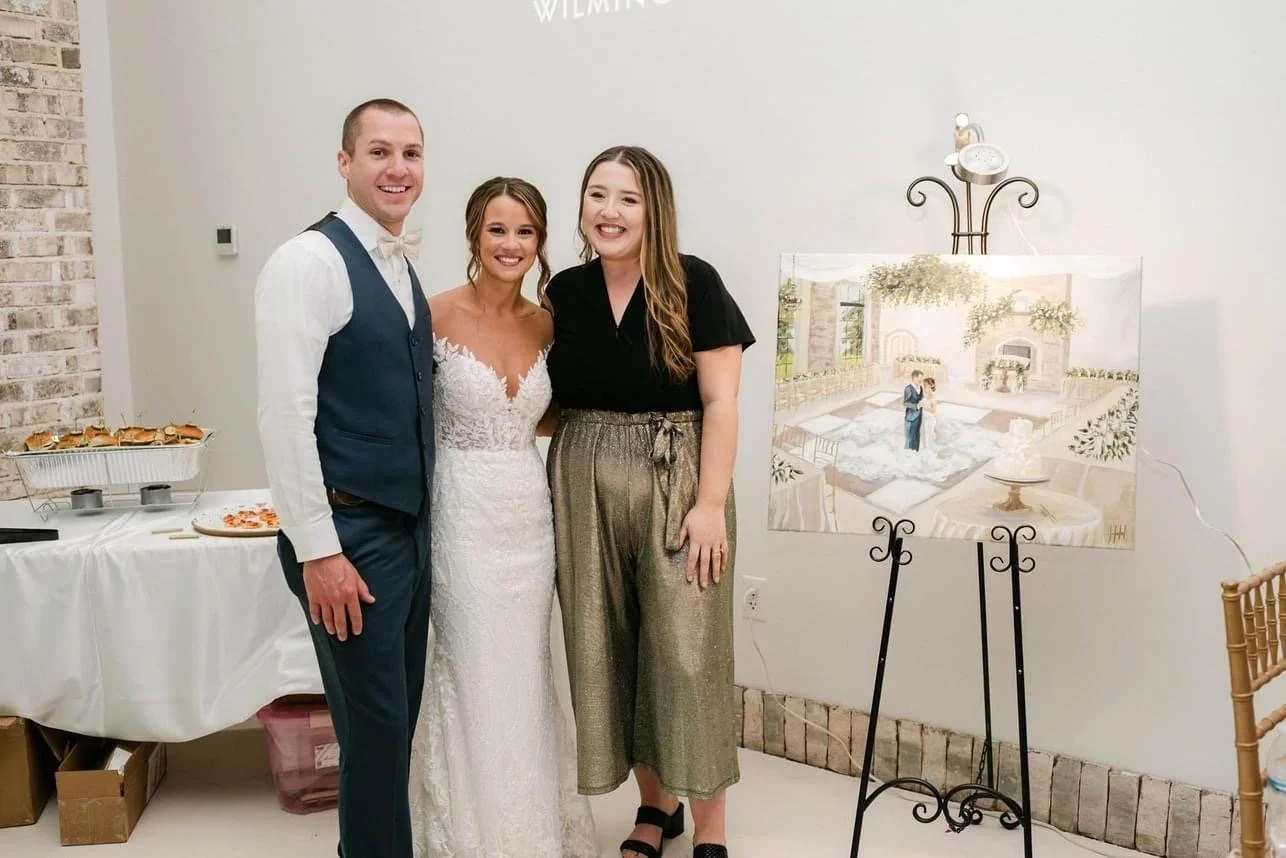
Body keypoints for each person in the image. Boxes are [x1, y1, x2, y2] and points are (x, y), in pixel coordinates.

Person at [545, 145, 755, 858]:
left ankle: (711, 830)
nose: (609, 211)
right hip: (584, 478)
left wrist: (711, 503)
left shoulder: (693, 282)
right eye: (597, 195)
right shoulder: (565, 293)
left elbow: (722, 400)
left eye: (627, 199)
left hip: (679, 479)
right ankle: (653, 809)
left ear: (654, 209)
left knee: (687, 654)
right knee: (613, 645)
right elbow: (546, 400)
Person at [255, 98, 433, 858]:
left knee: (393, 731)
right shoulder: (308, 262)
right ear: (344, 164)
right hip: (348, 537)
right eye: (379, 152)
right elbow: (283, 420)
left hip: (406, 533)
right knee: (372, 734)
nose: (398, 169)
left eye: (412, 153)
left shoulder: (400, 264)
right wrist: (319, 551)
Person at [407, 177, 597, 857]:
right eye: (497, 230)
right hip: (460, 510)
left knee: (526, 670)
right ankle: (465, 833)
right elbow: (408, 416)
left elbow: (551, 412)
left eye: (525, 232)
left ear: (540, 242)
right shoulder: (430, 314)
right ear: (473, 235)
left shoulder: (547, 322)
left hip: (528, 512)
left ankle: (534, 828)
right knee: (471, 667)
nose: (511, 244)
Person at [903, 369, 924, 451]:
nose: (921, 380)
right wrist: (916, 406)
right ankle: (909, 455)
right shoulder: (908, 388)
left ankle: (916, 452)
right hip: (911, 417)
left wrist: (923, 402)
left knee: (917, 435)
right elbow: (906, 403)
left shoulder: (921, 388)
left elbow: (921, 399)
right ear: (914, 377)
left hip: (919, 416)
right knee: (910, 438)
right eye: (920, 378)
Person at [920, 376, 938, 451]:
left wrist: (924, 407)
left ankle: (928, 450)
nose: (924, 388)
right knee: (923, 434)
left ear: (930, 386)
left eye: (925, 386)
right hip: (924, 417)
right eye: (923, 386)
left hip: (929, 419)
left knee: (928, 435)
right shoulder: (926, 395)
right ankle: (923, 449)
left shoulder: (933, 396)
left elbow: (934, 410)